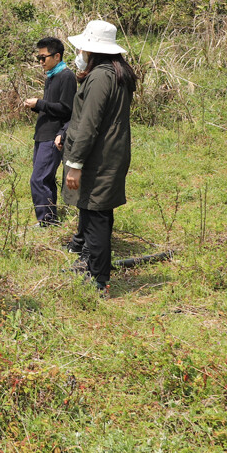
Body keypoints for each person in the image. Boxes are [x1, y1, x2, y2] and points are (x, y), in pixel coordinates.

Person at [62, 20, 136, 295]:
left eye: (82, 48)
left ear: (93, 50)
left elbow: (88, 124)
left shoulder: (100, 77)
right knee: (97, 214)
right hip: (110, 155)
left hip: (98, 159)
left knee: (96, 218)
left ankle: (99, 281)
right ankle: (92, 268)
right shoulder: (116, 73)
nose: (79, 53)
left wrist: (75, 164)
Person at [22, 37, 76, 227]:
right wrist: (37, 106)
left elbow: (67, 109)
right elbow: (53, 107)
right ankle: (50, 219)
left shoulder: (66, 76)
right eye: (39, 58)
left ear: (57, 56)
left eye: (43, 58)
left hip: (53, 136)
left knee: (38, 178)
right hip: (42, 133)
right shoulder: (52, 76)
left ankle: (46, 221)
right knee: (45, 178)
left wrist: (40, 103)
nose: (41, 62)